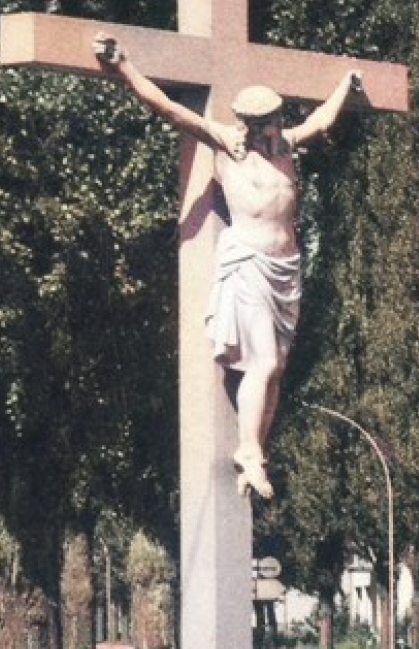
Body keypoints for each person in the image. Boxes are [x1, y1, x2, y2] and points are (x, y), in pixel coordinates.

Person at [94, 34, 362, 498]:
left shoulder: (287, 149)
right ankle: (248, 452)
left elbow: (319, 122)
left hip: (286, 269)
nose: (278, 125)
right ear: (251, 123)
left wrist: (344, 87)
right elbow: (170, 109)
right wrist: (124, 67)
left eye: (278, 118)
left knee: (275, 366)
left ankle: (255, 447)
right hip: (250, 266)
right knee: (261, 362)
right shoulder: (226, 145)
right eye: (269, 121)